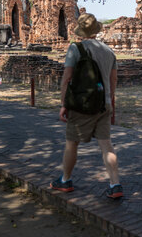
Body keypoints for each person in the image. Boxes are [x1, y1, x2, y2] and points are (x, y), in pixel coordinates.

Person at [50, 13, 123, 199]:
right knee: (107, 145)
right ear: (96, 31)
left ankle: (65, 180)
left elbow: (67, 78)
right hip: (103, 104)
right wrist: (111, 105)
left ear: (81, 32)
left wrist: (63, 104)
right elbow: (113, 83)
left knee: (71, 143)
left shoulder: (76, 48)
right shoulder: (109, 51)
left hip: (82, 104)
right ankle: (115, 184)